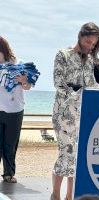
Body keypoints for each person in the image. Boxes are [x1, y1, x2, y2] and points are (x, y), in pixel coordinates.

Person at [51, 22, 99, 200]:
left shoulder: (90, 60)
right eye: (88, 42)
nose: (90, 46)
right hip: (63, 114)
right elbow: (58, 84)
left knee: (78, 157)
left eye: (93, 44)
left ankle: (69, 196)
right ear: (80, 37)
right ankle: (56, 195)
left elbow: (91, 85)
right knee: (65, 153)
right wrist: (78, 92)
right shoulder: (63, 55)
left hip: (82, 116)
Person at [0, 36, 33, 183]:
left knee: (10, 144)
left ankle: (9, 174)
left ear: (3, 50)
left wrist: (24, 81)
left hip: (15, 110)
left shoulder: (19, 64)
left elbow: (28, 86)